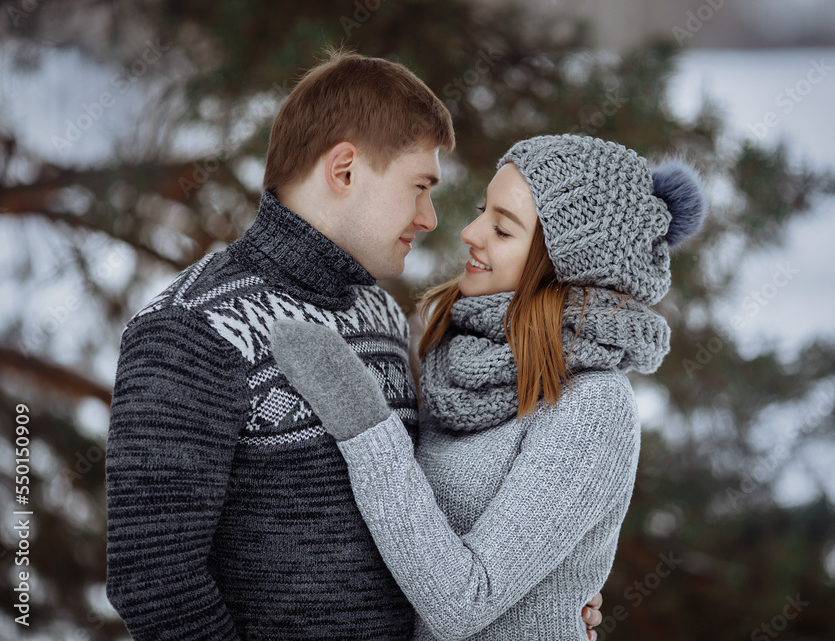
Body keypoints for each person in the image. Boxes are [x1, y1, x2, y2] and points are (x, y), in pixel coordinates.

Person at [105, 48, 604, 640]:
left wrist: (543, 600)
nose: (430, 217)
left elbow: (421, 517)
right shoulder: (192, 330)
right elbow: (153, 578)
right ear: (344, 170)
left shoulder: (380, 315)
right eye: (420, 186)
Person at [270, 134, 707, 639]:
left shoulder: (593, 406)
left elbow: (464, 602)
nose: (470, 231)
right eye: (483, 210)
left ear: (561, 268)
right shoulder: (453, 355)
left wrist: (366, 426)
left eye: (502, 229)